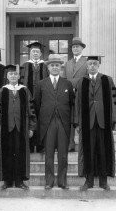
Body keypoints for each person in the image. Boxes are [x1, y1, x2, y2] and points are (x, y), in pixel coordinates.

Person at [74, 56, 116, 191]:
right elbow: (77, 103)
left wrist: (115, 120)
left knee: (103, 151)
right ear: (87, 66)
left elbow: (114, 100)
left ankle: (103, 182)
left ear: (98, 65)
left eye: (95, 64)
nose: (92, 66)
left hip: (104, 121)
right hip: (87, 121)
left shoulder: (107, 80)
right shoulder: (81, 82)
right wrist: (77, 123)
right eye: (90, 64)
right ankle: (88, 182)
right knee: (88, 151)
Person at [0, 64, 36, 190]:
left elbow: (31, 110)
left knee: (21, 153)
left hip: (22, 127)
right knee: (7, 153)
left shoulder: (25, 90)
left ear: (18, 76)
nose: (13, 76)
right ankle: (7, 181)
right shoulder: (2, 91)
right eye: (10, 74)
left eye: (15, 74)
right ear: (7, 76)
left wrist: (31, 128)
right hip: (6, 128)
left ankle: (20, 181)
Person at [34, 54, 75, 190]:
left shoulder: (67, 83)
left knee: (63, 155)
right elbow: (37, 104)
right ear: (48, 67)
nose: (55, 67)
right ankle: (49, 181)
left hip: (63, 122)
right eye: (52, 65)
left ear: (61, 67)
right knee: (49, 154)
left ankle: (62, 181)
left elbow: (72, 103)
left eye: (57, 65)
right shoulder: (41, 84)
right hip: (48, 123)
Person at [20, 42, 49, 153]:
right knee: (29, 119)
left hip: (43, 98)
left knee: (42, 120)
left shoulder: (45, 65)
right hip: (28, 98)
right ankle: (30, 146)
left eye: (37, 52)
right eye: (33, 52)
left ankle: (41, 145)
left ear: (41, 54)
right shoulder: (25, 65)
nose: (35, 53)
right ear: (30, 53)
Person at [62, 37, 88, 152]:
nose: (75, 48)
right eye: (73, 47)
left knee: (81, 118)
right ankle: (70, 144)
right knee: (70, 119)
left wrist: (74, 84)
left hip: (82, 94)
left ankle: (83, 145)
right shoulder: (68, 63)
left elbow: (87, 78)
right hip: (69, 95)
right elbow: (63, 79)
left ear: (82, 48)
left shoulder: (87, 62)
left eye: (78, 46)